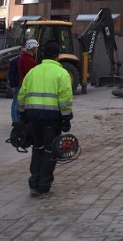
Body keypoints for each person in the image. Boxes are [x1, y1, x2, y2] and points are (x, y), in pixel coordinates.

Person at [17, 40, 73, 198]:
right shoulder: (61, 73)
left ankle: (34, 184)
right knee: (51, 151)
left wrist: (22, 114)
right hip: (52, 119)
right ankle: (44, 186)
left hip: (33, 118)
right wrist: (66, 117)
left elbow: (22, 96)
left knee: (37, 149)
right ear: (57, 56)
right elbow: (65, 98)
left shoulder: (33, 72)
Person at [8, 55, 20, 125]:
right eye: (22, 51)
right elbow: (11, 74)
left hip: (22, 85)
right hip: (17, 85)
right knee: (15, 102)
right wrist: (12, 85)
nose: (23, 53)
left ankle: (19, 118)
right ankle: (15, 120)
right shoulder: (14, 61)